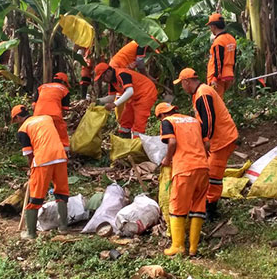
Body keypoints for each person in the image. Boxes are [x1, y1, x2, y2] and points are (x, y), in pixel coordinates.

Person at [174, 68, 238, 221]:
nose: (182, 88)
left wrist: (206, 140)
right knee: (209, 172)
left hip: (222, 140)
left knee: (213, 175)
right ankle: (206, 204)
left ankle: (211, 210)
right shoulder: (200, 92)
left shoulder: (203, 93)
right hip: (219, 139)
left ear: (186, 81)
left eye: (182, 84)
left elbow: (209, 119)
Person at [156, 102, 209, 257]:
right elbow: (207, 144)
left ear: (162, 115)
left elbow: (172, 142)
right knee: (198, 207)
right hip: (203, 167)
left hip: (184, 169)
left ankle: (178, 246)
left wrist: (167, 159)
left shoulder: (168, 122)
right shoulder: (194, 121)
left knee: (177, 207)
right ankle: (193, 248)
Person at [11, 105, 69, 239]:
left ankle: (31, 233)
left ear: (18, 117)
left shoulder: (23, 129)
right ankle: (63, 228)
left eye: (15, 121)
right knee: (62, 192)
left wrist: (31, 168)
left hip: (43, 159)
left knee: (36, 195)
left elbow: (29, 154)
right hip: (60, 156)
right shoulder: (46, 118)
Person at [94, 62, 157, 139]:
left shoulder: (122, 74)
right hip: (134, 96)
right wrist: (98, 101)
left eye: (102, 77)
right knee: (125, 119)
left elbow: (130, 91)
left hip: (146, 93)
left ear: (108, 72)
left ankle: (136, 146)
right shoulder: (112, 82)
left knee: (139, 121)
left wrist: (114, 104)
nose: (103, 80)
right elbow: (112, 96)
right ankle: (124, 143)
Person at [33, 72, 71, 151]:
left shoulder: (42, 87)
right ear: (63, 82)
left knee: (39, 135)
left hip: (37, 116)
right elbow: (65, 109)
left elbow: (33, 105)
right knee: (61, 133)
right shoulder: (65, 90)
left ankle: (38, 151)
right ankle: (64, 153)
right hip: (54, 115)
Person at [206, 13, 237, 99]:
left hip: (218, 78)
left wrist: (215, 78)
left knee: (216, 102)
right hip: (228, 74)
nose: (210, 29)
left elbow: (218, 61)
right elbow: (234, 58)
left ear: (213, 27)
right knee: (219, 99)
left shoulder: (218, 42)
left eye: (210, 27)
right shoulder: (231, 38)